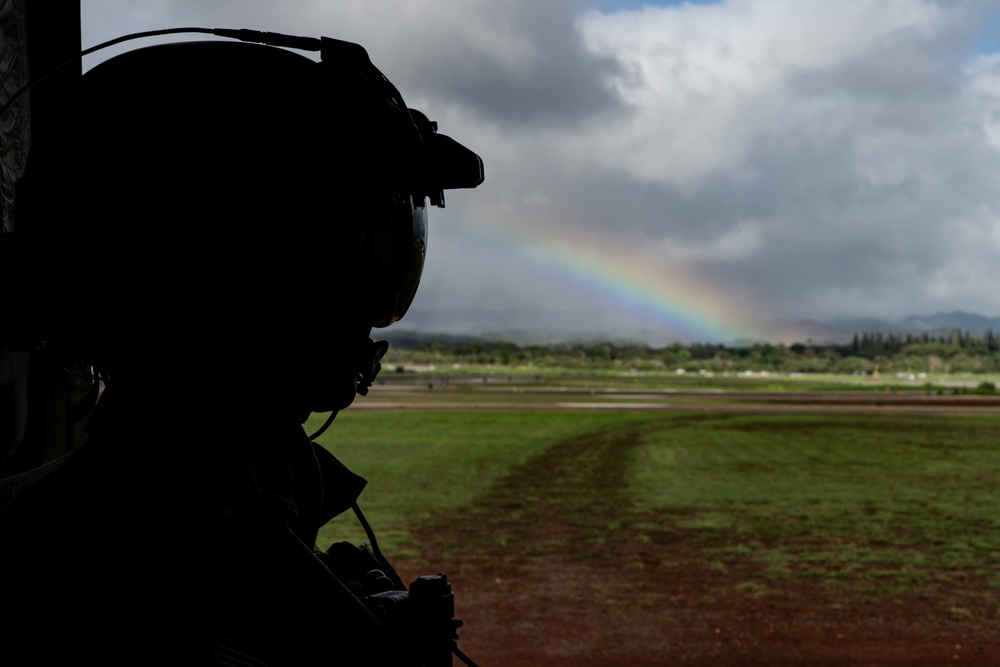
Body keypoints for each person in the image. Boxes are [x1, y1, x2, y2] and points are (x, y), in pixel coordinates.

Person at [0, 33, 482, 665]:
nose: (363, 304)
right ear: (237, 265)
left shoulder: (194, 508)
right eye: (347, 249)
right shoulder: (152, 580)